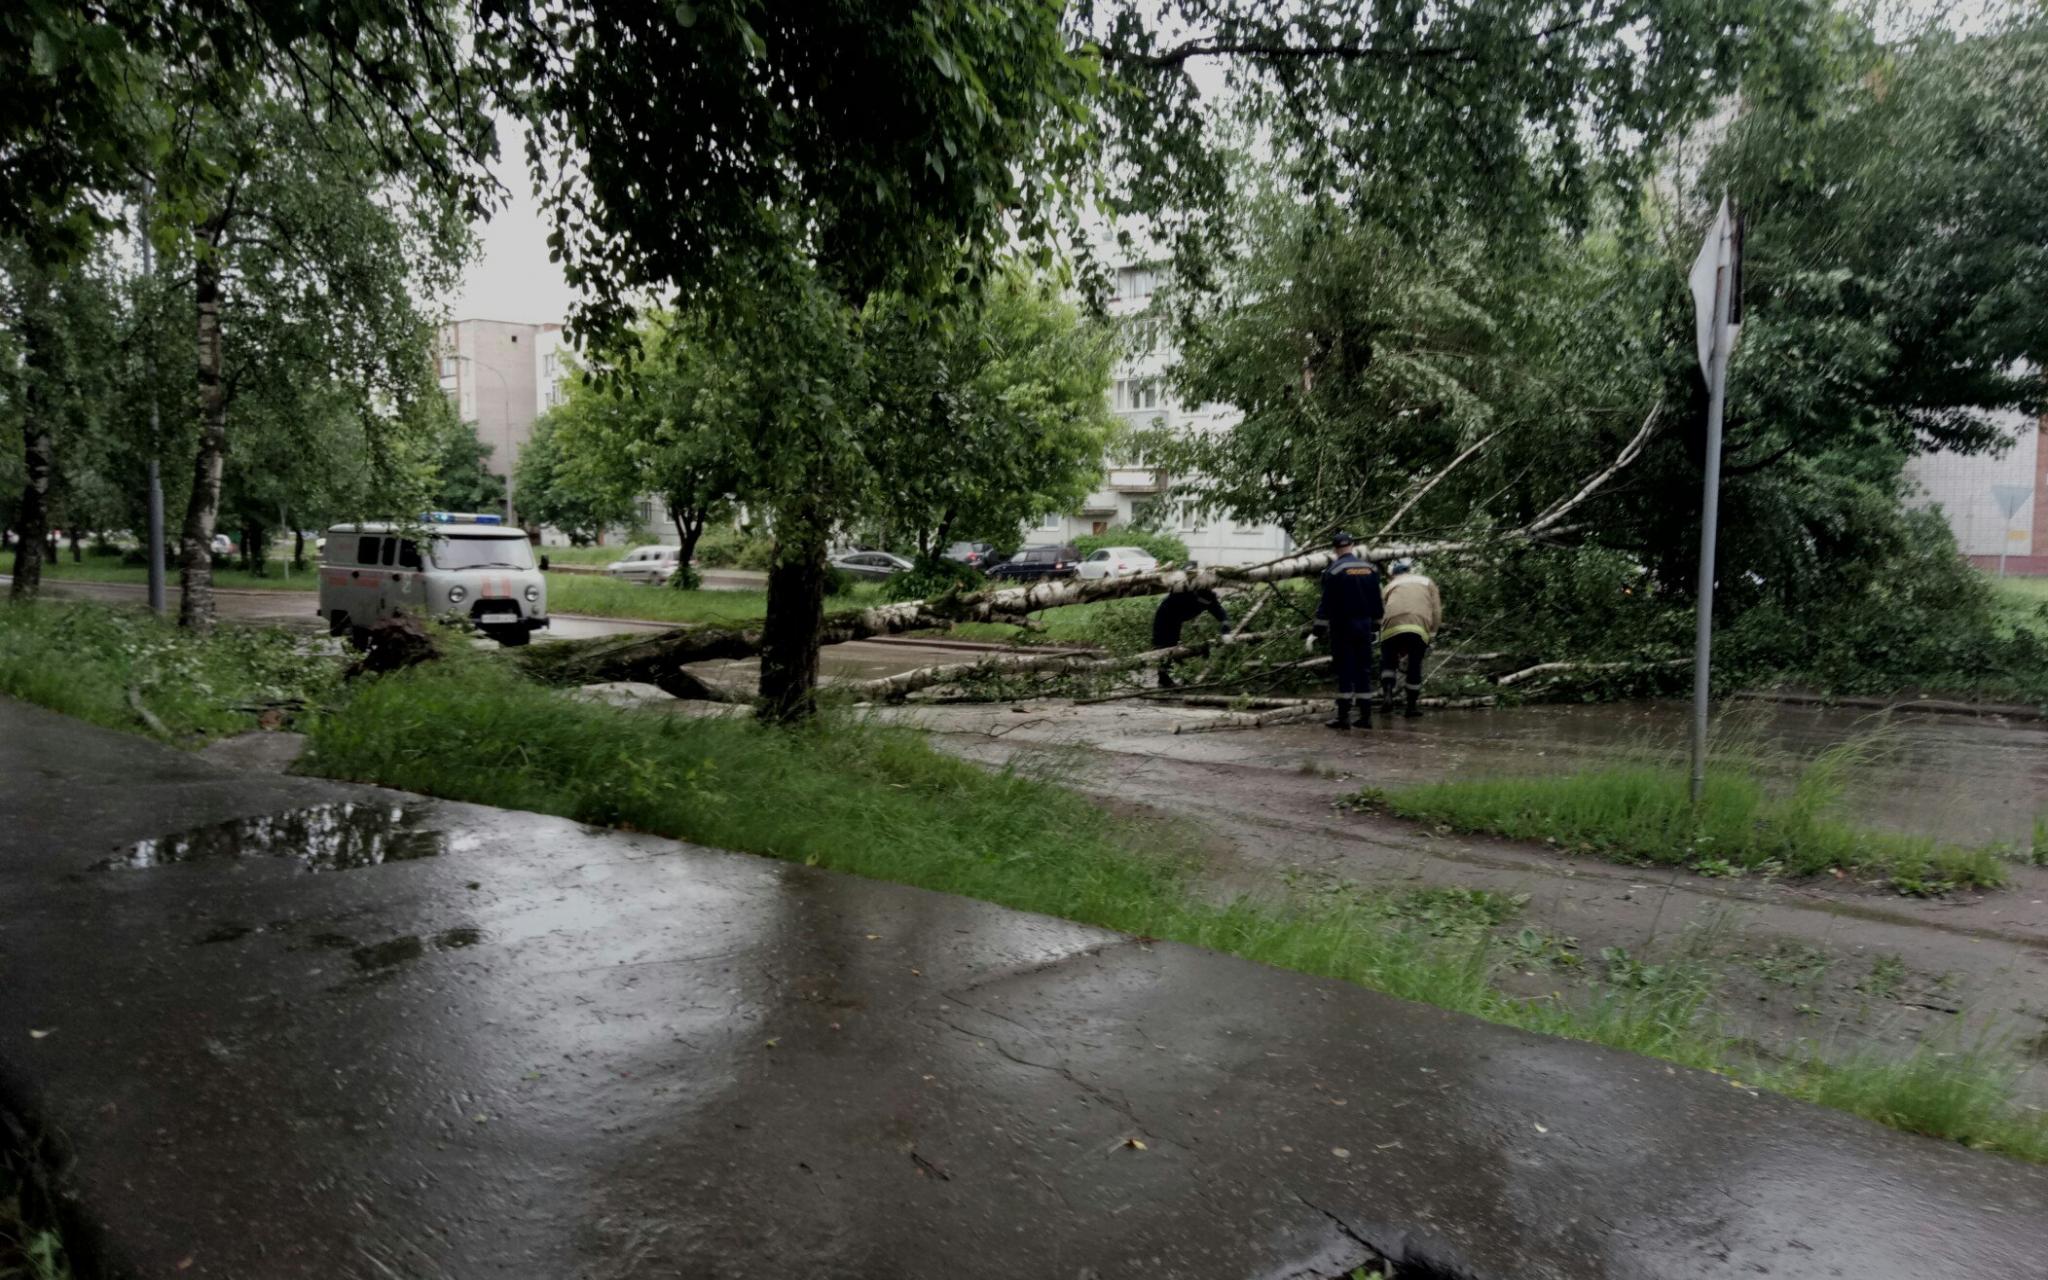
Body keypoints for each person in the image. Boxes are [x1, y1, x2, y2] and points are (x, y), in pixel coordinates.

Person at [1307, 532, 1382, 730]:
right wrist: (1375, 626)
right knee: (1364, 669)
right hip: (1364, 625)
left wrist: (1317, 629)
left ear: (1334, 549)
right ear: (1353, 546)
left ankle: (1343, 717)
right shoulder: (1371, 569)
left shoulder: (1333, 571)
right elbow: (1377, 601)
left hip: (1342, 626)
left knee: (1345, 669)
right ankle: (1366, 717)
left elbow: (1326, 603)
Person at [1379, 559, 1443, 719]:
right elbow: (1436, 610)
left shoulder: (1390, 585)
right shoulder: (1427, 582)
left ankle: (1387, 694)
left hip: (1391, 626)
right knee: (1415, 665)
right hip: (1418, 626)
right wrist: (1433, 633)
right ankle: (1411, 707)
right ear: (1409, 571)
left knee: (1388, 662)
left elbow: (1381, 609)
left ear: (1394, 574)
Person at [1151, 562, 1227, 688]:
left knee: (1173, 646)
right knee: (1164, 647)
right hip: (1165, 616)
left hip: (1177, 619)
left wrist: (1225, 625)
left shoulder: (1208, 595)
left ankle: (1183, 674)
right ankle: (1164, 679)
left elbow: (1219, 613)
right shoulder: (1181, 589)